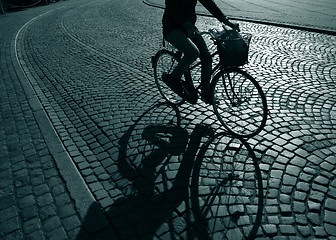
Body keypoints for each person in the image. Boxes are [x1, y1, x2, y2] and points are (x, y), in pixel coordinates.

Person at [162, 0, 238, 104]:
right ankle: (173, 78)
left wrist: (226, 21)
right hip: (172, 27)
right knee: (193, 53)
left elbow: (209, 4)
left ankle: (205, 93)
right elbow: (173, 9)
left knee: (207, 57)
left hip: (189, 27)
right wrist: (188, 26)